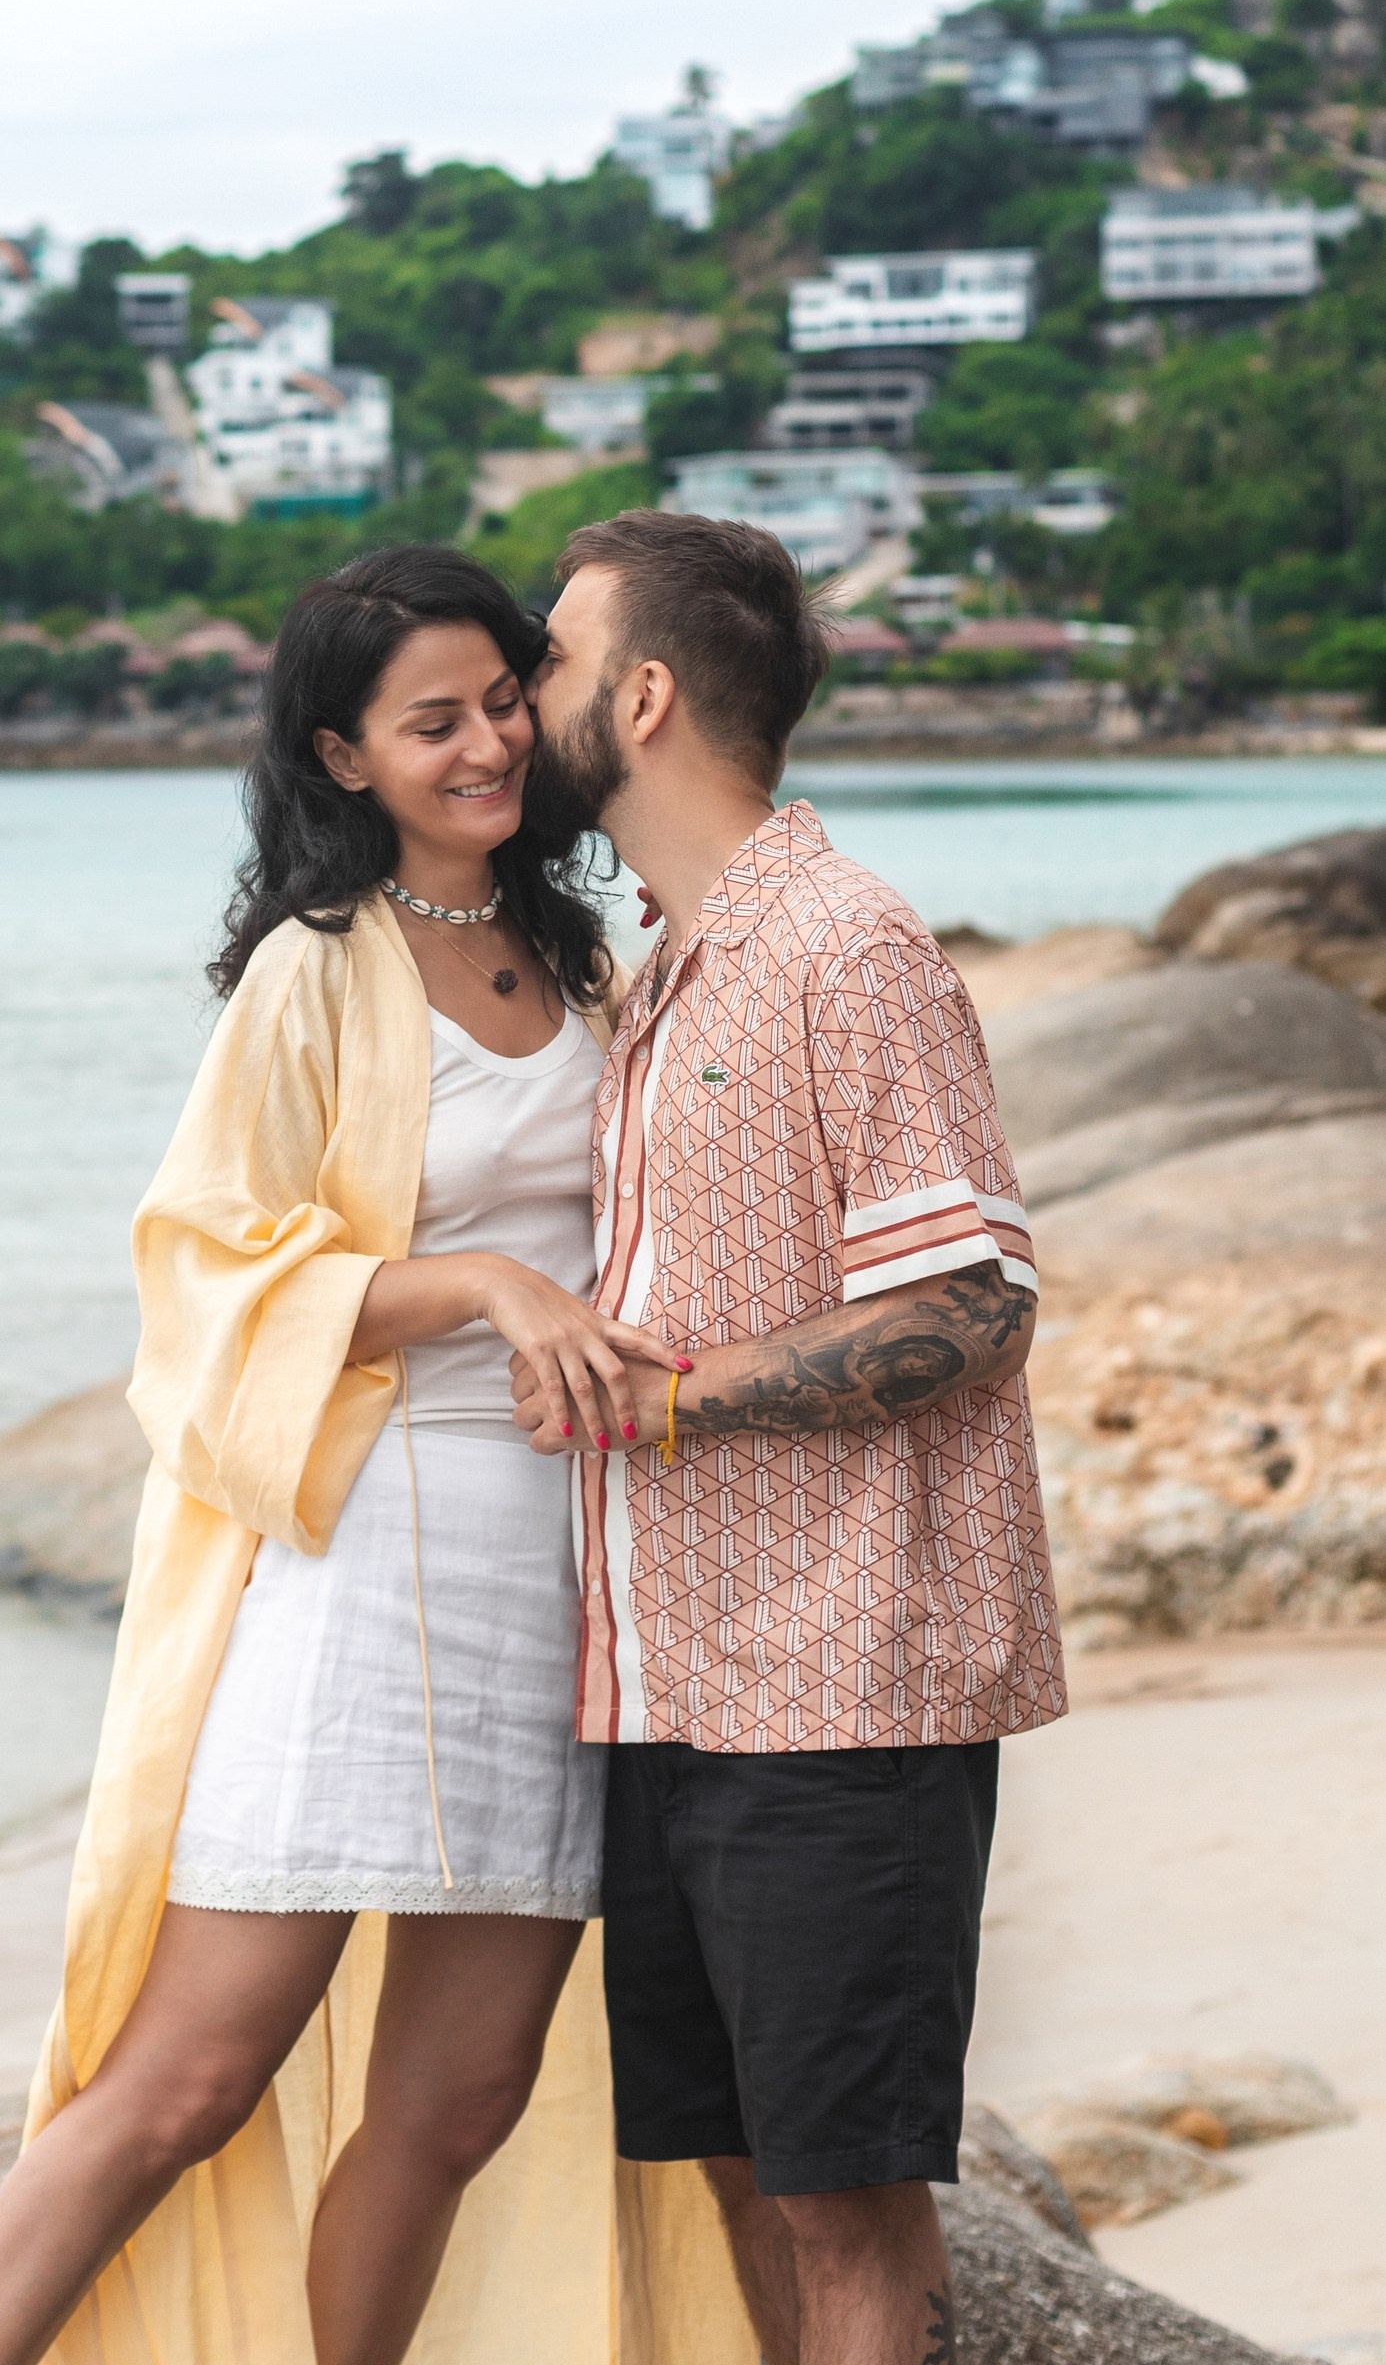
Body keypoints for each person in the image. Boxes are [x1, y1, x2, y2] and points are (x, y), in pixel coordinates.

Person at [0, 544, 700, 2365]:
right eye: (431, 724)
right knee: (194, 2073)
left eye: (502, 702)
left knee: (457, 2102)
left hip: (560, 1579)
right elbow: (209, 1271)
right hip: (362, 1561)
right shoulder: (315, 968)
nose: (486, 745)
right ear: (345, 757)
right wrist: (485, 1287)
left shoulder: (586, 960)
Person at [514, 509, 1068, 2365]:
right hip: (678, 1685)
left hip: (839, 1690)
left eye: (552, 659)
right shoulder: (668, 967)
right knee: (742, 2174)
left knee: (841, 2199)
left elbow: (970, 1302)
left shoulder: (844, 945)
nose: (518, 696)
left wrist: (671, 1396)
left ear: (644, 698)